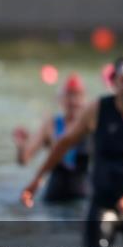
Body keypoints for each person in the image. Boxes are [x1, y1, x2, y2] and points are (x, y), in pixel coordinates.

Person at [21, 56, 123, 247]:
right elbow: (65, 142)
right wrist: (38, 178)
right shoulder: (97, 108)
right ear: (113, 82)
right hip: (103, 203)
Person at [13, 73, 91, 204]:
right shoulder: (51, 125)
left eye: (78, 95)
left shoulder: (91, 124)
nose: (73, 101)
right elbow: (24, 160)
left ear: (85, 99)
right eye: (69, 95)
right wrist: (21, 146)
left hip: (84, 198)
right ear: (60, 99)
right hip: (55, 198)